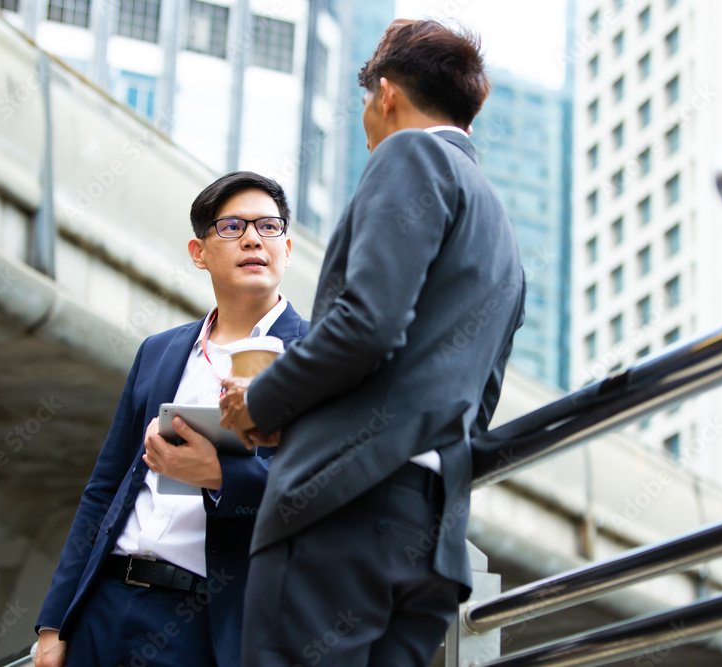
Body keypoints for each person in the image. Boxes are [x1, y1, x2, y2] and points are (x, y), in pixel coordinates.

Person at [219, 19, 526, 666]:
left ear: (386, 93)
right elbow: (481, 396)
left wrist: (263, 402)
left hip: (342, 511)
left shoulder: (411, 154)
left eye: (365, 100)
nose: (365, 120)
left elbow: (369, 324)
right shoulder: (503, 237)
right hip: (429, 540)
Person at [33, 171, 308, 667]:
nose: (252, 238)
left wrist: (223, 476)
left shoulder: (319, 357)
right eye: (231, 227)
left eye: (268, 227)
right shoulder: (159, 352)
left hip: (207, 621)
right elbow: (104, 488)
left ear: (286, 247)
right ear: (198, 252)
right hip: (105, 603)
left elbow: (325, 487)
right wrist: (55, 622)